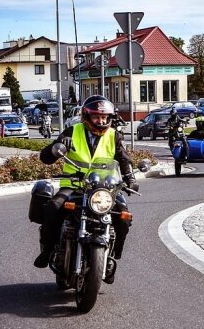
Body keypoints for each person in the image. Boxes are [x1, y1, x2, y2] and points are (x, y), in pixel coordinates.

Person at [33, 95, 138, 284]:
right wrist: (57, 146)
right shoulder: (73, 131)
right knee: (53, 208)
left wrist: (130, 177)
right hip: (74, 187)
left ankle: (113, 258)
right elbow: (46, 157)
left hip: (103, 190)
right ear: (87, 116)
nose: (101, 121)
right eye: (97, 117)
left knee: (123, 215)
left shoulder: (113, 135)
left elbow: (123, 158)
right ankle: (47, 251)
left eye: (105, 117)